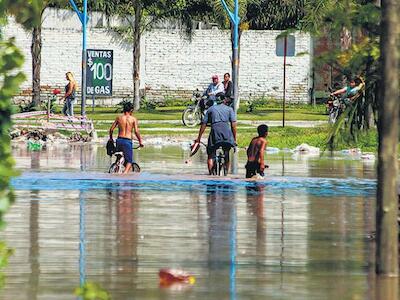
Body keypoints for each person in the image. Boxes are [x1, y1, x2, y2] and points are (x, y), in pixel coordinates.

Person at [194, 96, 237, 175]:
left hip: (215, 133)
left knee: (211, 154)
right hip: (226, 133)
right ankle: (226, 173)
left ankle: (210, 174)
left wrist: (199, 138)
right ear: (224, 100)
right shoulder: (230, 109)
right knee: (226, 152)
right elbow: (233, 125)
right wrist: (234, 139)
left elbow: (204, 124)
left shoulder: (211, 109)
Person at [109, 102, 144, 174]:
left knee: (119, 157)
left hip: (119, 140)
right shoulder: (133, 119)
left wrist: (111, 138)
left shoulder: (119, 118)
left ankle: (116, 167)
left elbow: (111, 129)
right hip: (127, 141)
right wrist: (140, 141)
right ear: (131, 110)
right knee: (129, 162)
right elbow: (136, 131)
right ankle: (124, 175)